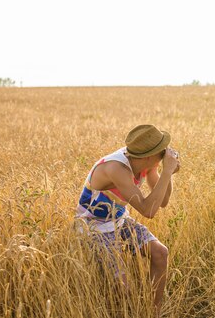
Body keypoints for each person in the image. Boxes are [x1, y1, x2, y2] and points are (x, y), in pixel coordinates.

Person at [75, 124, 180, 311]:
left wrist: (168, 172)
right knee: (124, 290)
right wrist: (167, 171)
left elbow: (162, 201)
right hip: (93, 227)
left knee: (160, 253)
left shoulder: (146, 163)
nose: (165, 153)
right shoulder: (116, 169)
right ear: (148, 155)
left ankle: (152, 313)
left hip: (119, 220)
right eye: (161, 151)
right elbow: (148, 211)